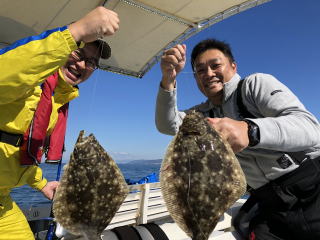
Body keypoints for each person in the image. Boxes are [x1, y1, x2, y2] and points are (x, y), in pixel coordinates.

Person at [155, 39, 320, 240]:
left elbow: (311, 128)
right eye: (200, 70)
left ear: (233, 66)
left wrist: (250, 130)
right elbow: (167, 124)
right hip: (269, 204)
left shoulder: (255, 85)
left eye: (215, 65)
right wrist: (168, 80)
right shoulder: (200, 116)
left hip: (311, 187)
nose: (208, 74)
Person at [0, 6, 119, 240]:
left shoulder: (55, 104)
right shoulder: (29, 82)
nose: (83, 66)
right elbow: (9, 72)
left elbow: (18, 151)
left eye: (92, 63)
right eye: (78, 54)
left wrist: (42, 183)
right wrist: (75, 33)